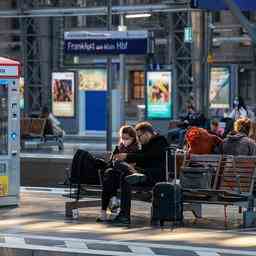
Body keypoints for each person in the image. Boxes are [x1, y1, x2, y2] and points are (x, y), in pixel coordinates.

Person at [105, 122, 168, 225]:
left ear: (147, 133)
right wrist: (127, 158)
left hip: (153, 176)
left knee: (126, 177)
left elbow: (148, 156)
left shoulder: (160, 142)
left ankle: (124, 216)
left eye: (139, 136)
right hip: (143, 173)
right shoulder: (146, 144)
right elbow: (141, 156)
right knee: (120, 172)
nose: (138, 139)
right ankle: (123, 215)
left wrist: (128, 157)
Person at [97, 125, 139, 222]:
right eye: (122, 138)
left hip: (125, 176)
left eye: (127, 138)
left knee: (108, 176)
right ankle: (112, 200)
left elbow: (131, 167)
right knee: (108, 174)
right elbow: (111, 162)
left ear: (133, 138)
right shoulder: (119, 147)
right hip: (114, 176)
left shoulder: (136, 149)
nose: (124, 141)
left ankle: (106, 209)